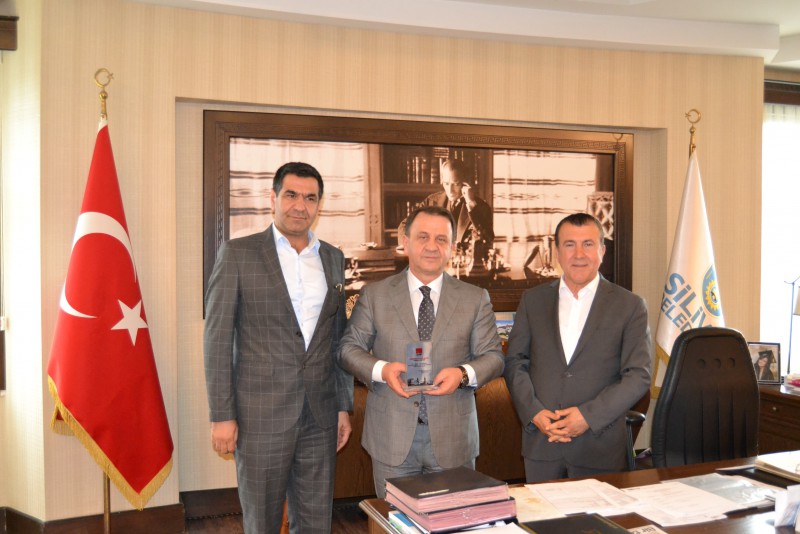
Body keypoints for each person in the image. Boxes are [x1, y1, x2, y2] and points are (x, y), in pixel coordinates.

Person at [204, 161, 354, 533]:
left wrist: (342, 406)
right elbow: (217, 339)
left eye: (310, 198)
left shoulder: (333, 258)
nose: (300, 206)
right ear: (272, 199)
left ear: (319, 205)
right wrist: (222, 415)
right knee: (262, 522)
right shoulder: (238, 254)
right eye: (291, 195)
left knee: (316, 521)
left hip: (320, 416)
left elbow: (337, 339)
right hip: (260, 416)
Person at [341, 205, 504, 498]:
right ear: (406, 243)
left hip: (453, 439)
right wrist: (382, 370)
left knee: (454, 520)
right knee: (395, 519)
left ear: (452, 247)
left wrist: (462, 374)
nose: (432, 246)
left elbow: (494, 357)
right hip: (391, 436)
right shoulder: (375, 295)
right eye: (423, 237)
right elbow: (348, 349)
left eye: (441, 239)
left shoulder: (475, 298)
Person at [503, 212, 651, 482]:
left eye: (588, 244)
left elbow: (638, 375)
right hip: (542, 444)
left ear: (602, 251)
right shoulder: (532, 301)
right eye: (569, 244)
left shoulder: (630, 306)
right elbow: (515, 362)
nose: (579, 254)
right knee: (541, 512)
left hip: (600, 448)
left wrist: (588, 417)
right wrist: (534, 412)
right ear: (557, 252)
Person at [399, 158, 494, 266]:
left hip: (464, 268)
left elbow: (488, 240)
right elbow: (404, 226)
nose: (450, 190)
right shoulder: (431, 201)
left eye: (456, 184)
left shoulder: (480, 207)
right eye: (446, 183)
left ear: (465, 182)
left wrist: (471, 205)